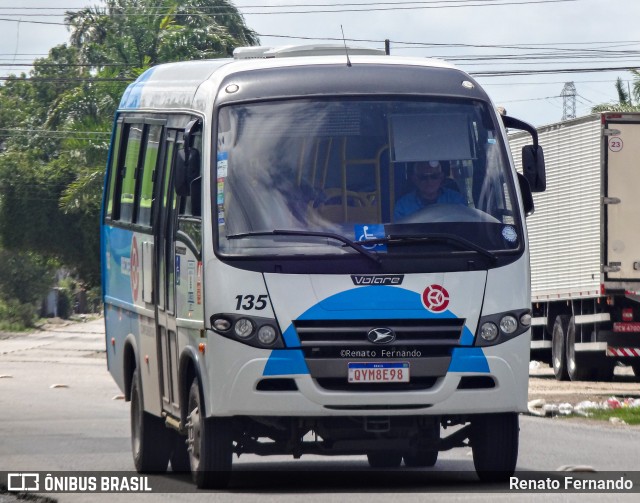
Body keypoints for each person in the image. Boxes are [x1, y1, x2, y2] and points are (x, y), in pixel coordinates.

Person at [393, 160, 466, 221]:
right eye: (423, 177)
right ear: (414, 179)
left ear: (441, 177)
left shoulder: (456, 200)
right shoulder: (402, 206)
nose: (429, 181)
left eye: (434, 176)